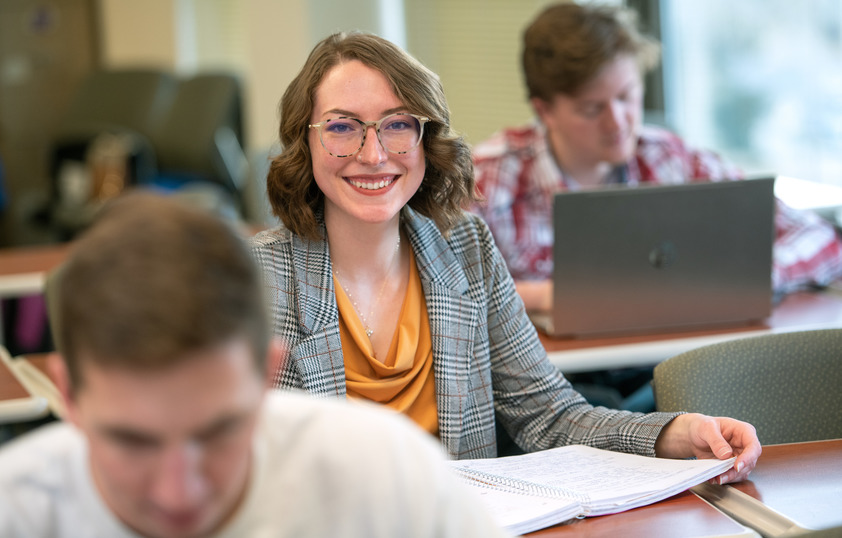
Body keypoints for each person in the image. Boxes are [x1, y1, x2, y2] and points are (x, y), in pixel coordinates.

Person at [248, 30, 761, 484]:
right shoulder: (256, 279)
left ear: (425, 139)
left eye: (397, 124)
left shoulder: (466, 248)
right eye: (341, 128)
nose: (374, 154)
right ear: (304, 142)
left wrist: (677, 432)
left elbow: (549, 415)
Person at [0, 191, 508, 538]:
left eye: (219, 431)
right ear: (67, 397)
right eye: (132, 442)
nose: (180, 493)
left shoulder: (387, 479)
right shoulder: (18, 513)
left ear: (269, 376)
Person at [472, 2, 842, 313]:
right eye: (591, 109)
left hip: (662, 367)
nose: (618, 122)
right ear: (545, 111)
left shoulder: (672, 160)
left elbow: (818, 237)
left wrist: (750, 276)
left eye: (626, 96)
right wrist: (550, 298)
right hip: (556, 380)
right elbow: (437, 289)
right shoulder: (486, 177)